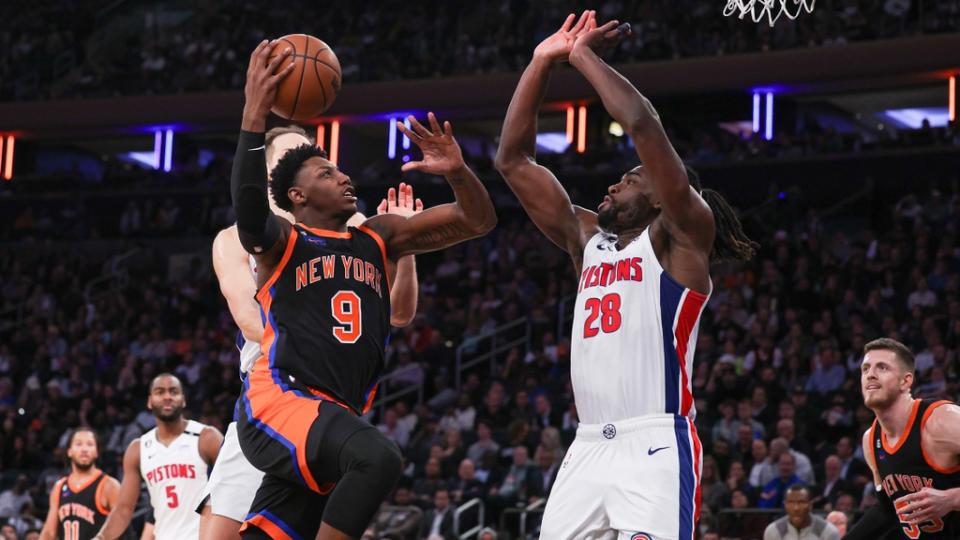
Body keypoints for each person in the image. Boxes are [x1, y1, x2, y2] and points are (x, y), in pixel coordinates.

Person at [495, 11, 755, 540]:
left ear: (660, 195)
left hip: (655, 442)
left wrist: (582, 56)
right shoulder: (588, 241)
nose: (615, 184)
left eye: (631, 178)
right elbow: (513, 161)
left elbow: (642, 125)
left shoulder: (682, 236)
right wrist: (542, 61)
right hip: (587, 445)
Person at [233, 40, 495, 539]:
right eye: (326, 173)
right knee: (378, 458)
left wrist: (458, 172)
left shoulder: (379, 236)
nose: (344, 176)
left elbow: (478, 221)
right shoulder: (284, 242)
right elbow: (249, 207)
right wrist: (254, 110)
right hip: (282, 399)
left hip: (334, 414)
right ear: (298, 195)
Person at [202, 123, 422, 540]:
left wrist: (404, 252)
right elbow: (249, 319)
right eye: (289, 154)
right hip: (272, 397)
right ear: (270, 172)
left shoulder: (353, 223)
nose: (301, 159)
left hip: (328, 399)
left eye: (308, 151)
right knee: (220, 531)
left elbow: (400, 313)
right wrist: (308, 334)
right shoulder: (236, 237)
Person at [844, 338, 960, 539]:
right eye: (865, 369)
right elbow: (886, 510)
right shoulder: (871, 439)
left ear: (906, 381)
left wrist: (953, 498)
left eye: (882, 368)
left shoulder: (942, 420)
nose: (870, 374)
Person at [94, 374, 223, 540]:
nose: (167, 397)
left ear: (183, 400)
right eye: (160, 392)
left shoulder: (207, 437)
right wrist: (100, 538)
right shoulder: (138, 449)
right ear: (149, 401)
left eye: (173, 391)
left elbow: (236, 488)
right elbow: (124, 509)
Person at [39, 428, 119, 540]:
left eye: (90, 444)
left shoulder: (109, 485)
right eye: (79, 444)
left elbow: (123, 527)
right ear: (69, 451)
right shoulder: (60, 487)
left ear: (97, 452)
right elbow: (49, 533)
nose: (84, 449)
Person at [763, 485, 841, 540]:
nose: (796, 508)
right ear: (785, 505)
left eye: (801, 502)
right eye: (791, 502)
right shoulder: (774, 530)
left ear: (810, 505)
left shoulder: (828, 532)